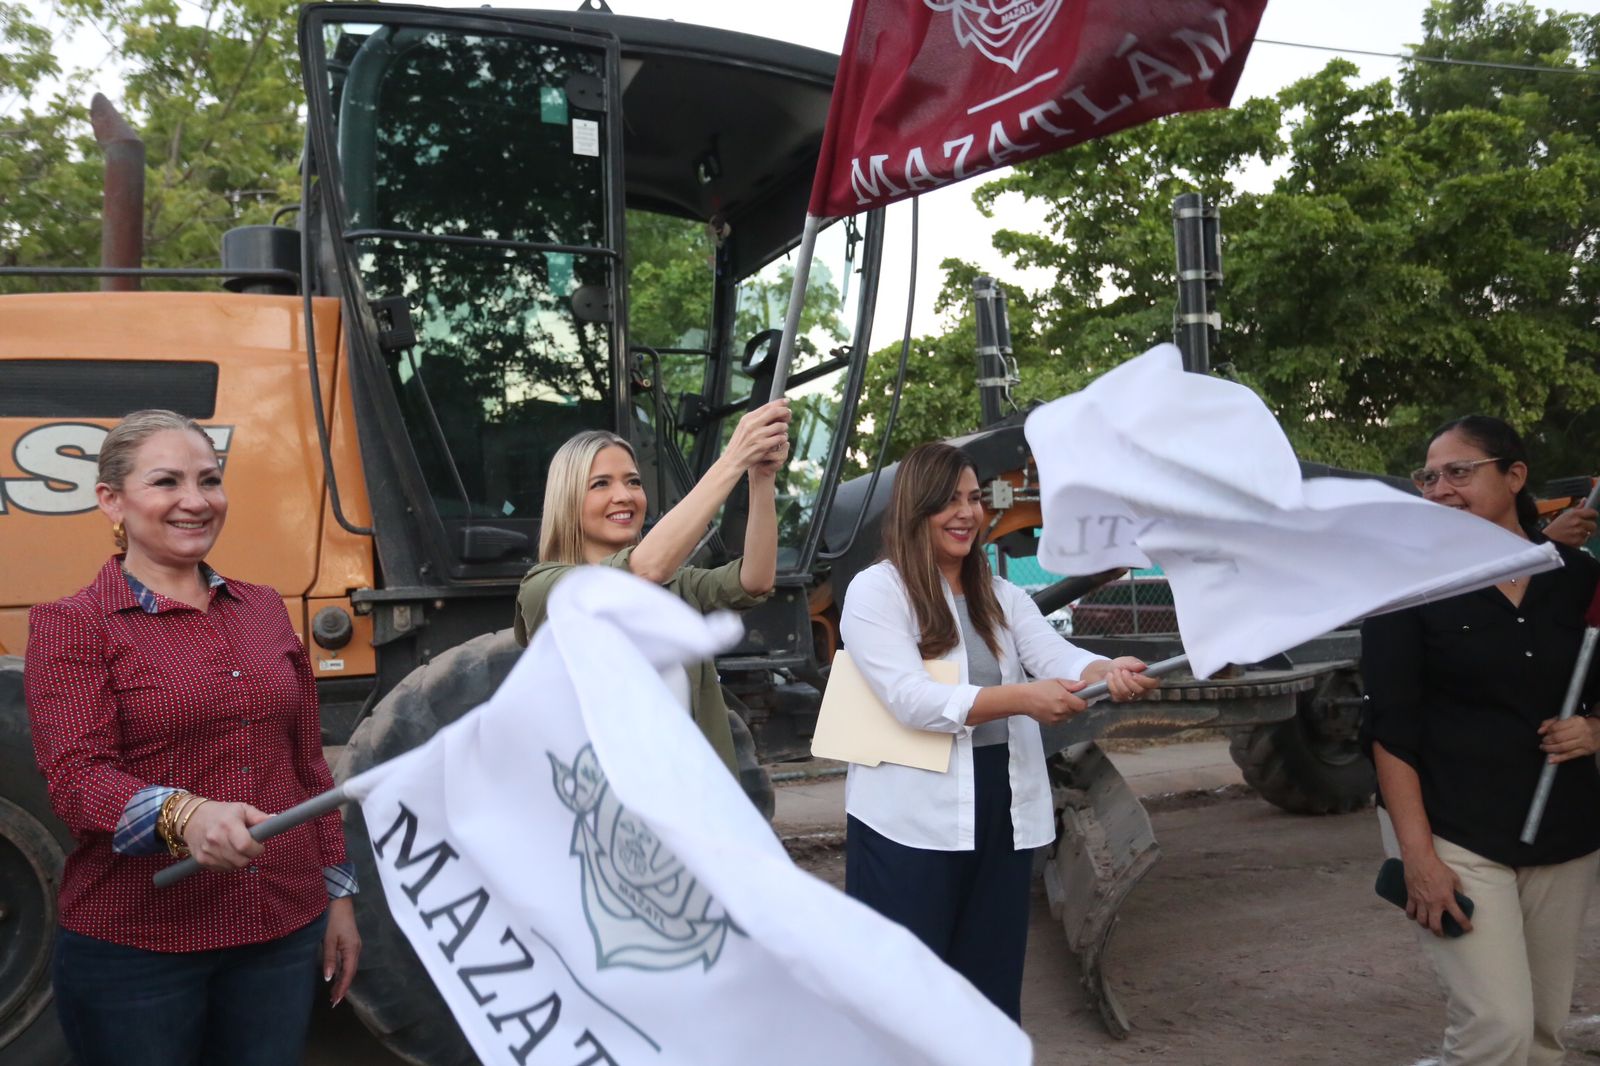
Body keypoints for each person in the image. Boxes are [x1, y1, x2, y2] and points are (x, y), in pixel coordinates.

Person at [24, 409, 361, 1066]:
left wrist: (337, 895)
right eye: (166, 482)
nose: (195, 501)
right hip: (141, 953)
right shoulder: (72, 625)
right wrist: (185, 815)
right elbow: (76, 778)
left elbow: (307, 769)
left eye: (209, 480)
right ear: (111, 502)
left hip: (281, 930)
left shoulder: (264, 607)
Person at [837, 441, 1158, 1021]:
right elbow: (911, 700)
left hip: (1001, 807)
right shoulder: (876, 591)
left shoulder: (1000, 595)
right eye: (949, 501)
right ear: (915, 509)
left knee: (987, 984)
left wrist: (1103, 672)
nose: (967, 513)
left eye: (974, 499)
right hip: (907, 820)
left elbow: (1053, 652)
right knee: (904, 996)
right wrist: (1020, 700)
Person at [1361, 414, 1600, 1066]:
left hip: (1564, 830)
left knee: (1544, 1032)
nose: (1440, 489)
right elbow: (1391, 732)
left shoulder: (1576, 576)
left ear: (1515, 475)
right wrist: (1419, 859)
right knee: (1496, 1028)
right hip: (1454, 832)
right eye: (1429, 477)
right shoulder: (1404, 588)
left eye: (1459, 472)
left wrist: (1594, 729)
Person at [513, 400, 791, 775]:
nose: (625, 496)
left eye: (633, 481)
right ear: (568, 499)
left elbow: (755, 580)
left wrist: (760, 478)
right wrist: (732, 459)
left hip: (686, 796)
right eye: (600, 484)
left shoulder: (673, 584)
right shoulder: (547, 588)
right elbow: (638, 572)